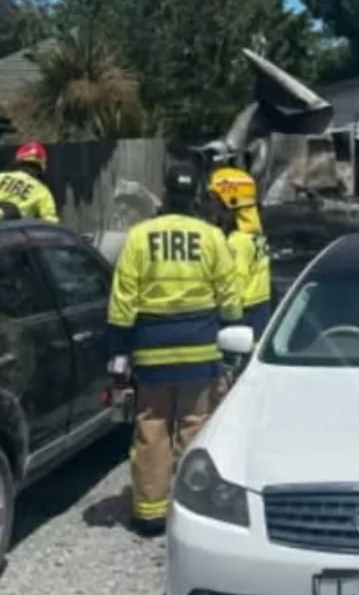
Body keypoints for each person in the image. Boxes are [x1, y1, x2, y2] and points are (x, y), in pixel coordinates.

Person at [106, 162, 243, 535]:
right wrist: (231, 327)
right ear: (196, 196)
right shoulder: (212, 236)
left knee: (152, 427)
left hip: (152, 351)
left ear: (164, 194)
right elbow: (230, 296)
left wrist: (119, 342)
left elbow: (124, 296)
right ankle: (194, 508)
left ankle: (150, 513)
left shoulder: (139, 236)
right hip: (199, 351)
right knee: (195, 425)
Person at [208, 167, 273, 338]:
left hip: (242, 318)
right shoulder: (256, 235)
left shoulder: (237, 242)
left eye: (215, 202)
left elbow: (234, 286)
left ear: (231, 203)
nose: (212, 208)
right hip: (260, 311)